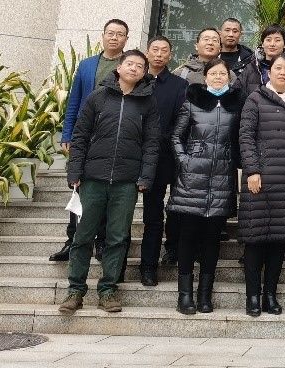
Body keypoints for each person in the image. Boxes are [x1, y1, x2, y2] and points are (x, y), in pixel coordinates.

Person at [58, 49, 159, 315]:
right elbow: (80, 136)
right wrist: (74, 172)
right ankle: (75, 290)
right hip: (93, 178)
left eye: (140, 66)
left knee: (117, 237)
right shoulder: (98, 97)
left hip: (126, 182)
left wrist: (145, 176)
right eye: (130, 64)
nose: (134, 68)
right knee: (83, 236)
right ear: (119, 68)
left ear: (144, 73)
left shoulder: (148, 103)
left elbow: (151, 144)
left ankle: (108, 290)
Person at [168, 57, 244, 315]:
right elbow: (176, 136)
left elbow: (241, 139)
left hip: (222, 178)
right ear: (205, 76)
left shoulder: (236, 104)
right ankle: (185, 296)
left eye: (223, 74)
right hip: (193, 179)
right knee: (188, 236)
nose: (218, 77)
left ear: (229, 77)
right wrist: (185, 160)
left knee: (212, 239)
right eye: (214, 73)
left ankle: (204, 295)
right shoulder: (193, 101)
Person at [51, 18, 130, 263]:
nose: (114, 38)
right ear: (103, 35)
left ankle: (101, 241)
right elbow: (73, 101)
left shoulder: (129, 65)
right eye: (110, 33)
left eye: (120, 34)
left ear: (126, 39)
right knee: (78, 187)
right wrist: (67, 134)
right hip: (86, 135)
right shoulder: (86, 65)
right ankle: (72, 239)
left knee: (106, 189)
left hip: (113, 137)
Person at [238, 53, 285, 316]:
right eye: (277, 68)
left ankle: (270, 294)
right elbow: (246, 137)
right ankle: (252, 296)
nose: (282, 72)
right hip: (260, 179)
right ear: (269, 72)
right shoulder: (255, 98)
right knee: (255, 239)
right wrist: (252, 170)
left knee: (278, 241)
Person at [139, 36, 188, 285]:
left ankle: (153, 264)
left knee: (158, 214)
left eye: (164, 51)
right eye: (155, 50)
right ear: (147, 53)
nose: (159, 54)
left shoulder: (179, 85)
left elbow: (182, 122)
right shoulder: (136, 81)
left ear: (170, 55)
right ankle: (126, 264)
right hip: (134, 156)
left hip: (165, 158)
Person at [237, 25, 285, 98]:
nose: (272, 44)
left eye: (277, 40)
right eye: (268, 40)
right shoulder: (251, 68)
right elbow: (237, 94)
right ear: (262, 44)